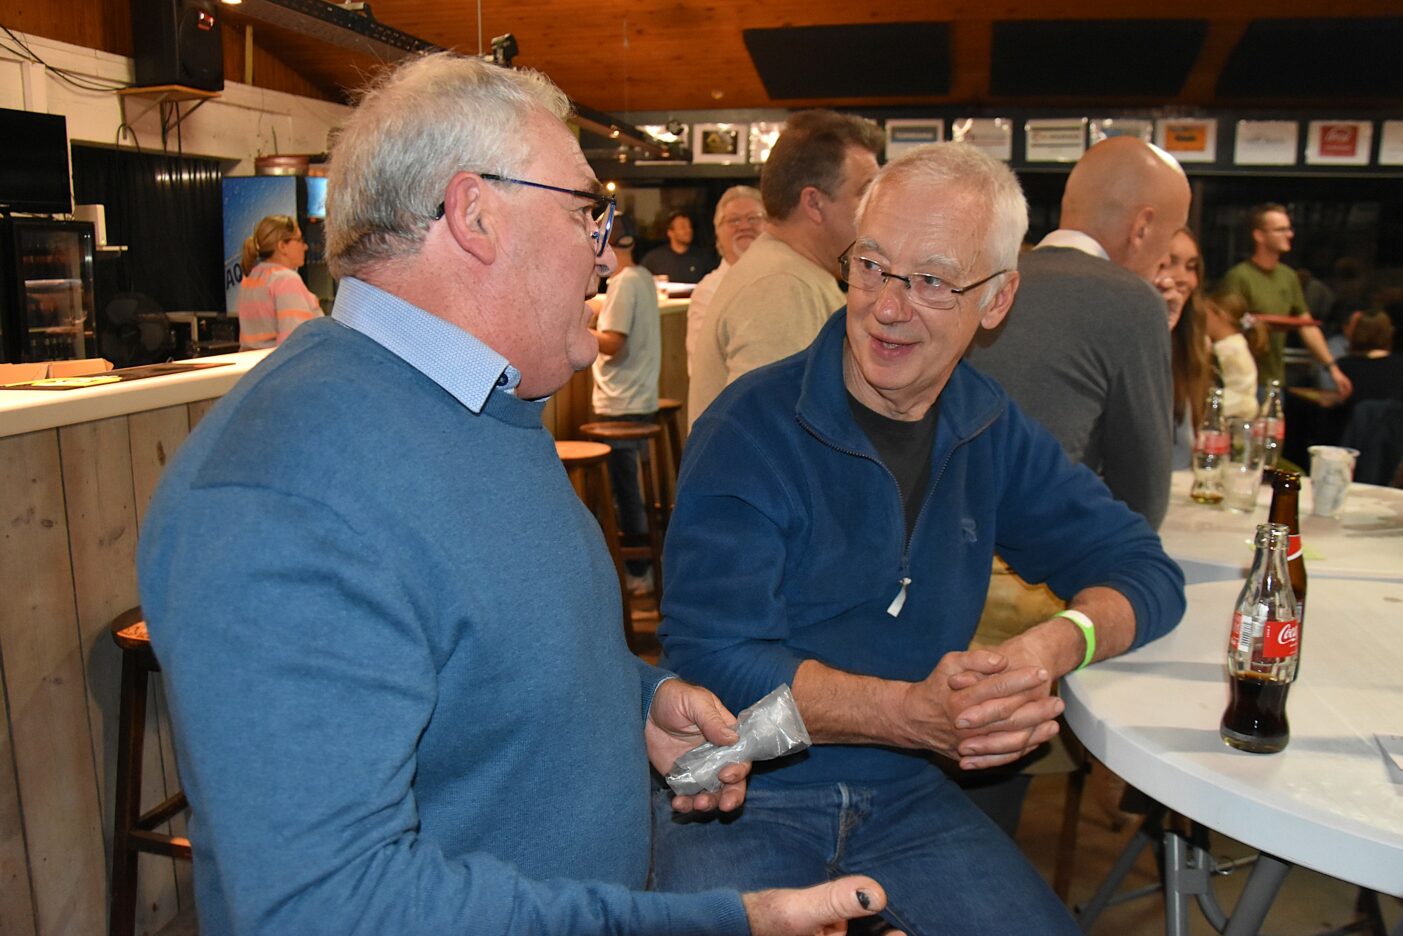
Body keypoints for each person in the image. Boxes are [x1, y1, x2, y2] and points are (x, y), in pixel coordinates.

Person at [137, 52, 889, 935]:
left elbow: (479, 649)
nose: (603, 250)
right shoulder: (278, 495)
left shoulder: (480, 400)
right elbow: (330, 910)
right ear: (475, 215)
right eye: (583, 212)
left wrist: (633, 704)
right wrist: (721, 925)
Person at [653, 142, 1185, 936]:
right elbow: (712, 657)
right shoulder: (749, 427)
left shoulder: (988, 427)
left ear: (997, 299)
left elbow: (1144, 570)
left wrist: (1048, 649)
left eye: (932, 281)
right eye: (871, 266)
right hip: (744, 794)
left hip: (908, 798)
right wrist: (908, 714)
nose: (887, 307)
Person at [969, 135, 1190, 530]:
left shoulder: (985, 278)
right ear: (1142, 227)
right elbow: (1142, 503)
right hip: (1037, 550)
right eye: (1172, 238)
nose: (1166, 262)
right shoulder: (1133, 301)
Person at [687, 109, 883, 428]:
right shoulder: (782, 286)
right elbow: (765, 434)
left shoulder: (789, 273)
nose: (875, 210)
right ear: (814, 203)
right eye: (864, 194)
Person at [1217, 203, 1354, 398]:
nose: (1289, 234)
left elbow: (1306, 326)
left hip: (1275, 380)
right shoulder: (1239, 277)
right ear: (1259, 235)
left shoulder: (1288, 276)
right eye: (1280, 230)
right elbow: (1222, 329)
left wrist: (1332, 368)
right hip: (1241, 380)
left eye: (1289, 229)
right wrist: (1253, 324)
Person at [590, 232, 662, 592]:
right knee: (627, 488)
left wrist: (576, 330)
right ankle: (642, 566)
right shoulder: (643, 278)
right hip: (642, 397)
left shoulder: (622, 284)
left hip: (620, 401)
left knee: (623, 492)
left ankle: (635, 570)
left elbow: (613, 343)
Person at [686, 186, 765, 374]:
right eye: (734, 220)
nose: (744, 226)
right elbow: (702, 366)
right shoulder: (708, 291)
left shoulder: (782, 282)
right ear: (718, 233)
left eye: (753, 218)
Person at [1157, 228, 1213, 470]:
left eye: (1191, 267)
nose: (1183, 278)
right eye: (1170, 263)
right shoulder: (1126, 338)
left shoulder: (1195, 341)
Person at [235, 214, 323, 349]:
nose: (305, 247)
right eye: (299, 240)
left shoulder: (251, 277)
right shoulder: (286, 280)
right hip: (279, 362)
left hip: (256, 362)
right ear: (282, 246)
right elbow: (294, 343)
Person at [1336, 310, 1403, 403]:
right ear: (1388, 333)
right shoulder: (1399, 363)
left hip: (1354, 412)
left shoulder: (1344, 365)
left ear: (1356, 333)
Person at [642, 209, 717, 283]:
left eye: (690, 226)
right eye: (683, 227)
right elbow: (640, 281)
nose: (689, 230)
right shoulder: (654, 259)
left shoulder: (702, 257)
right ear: (670, 233)